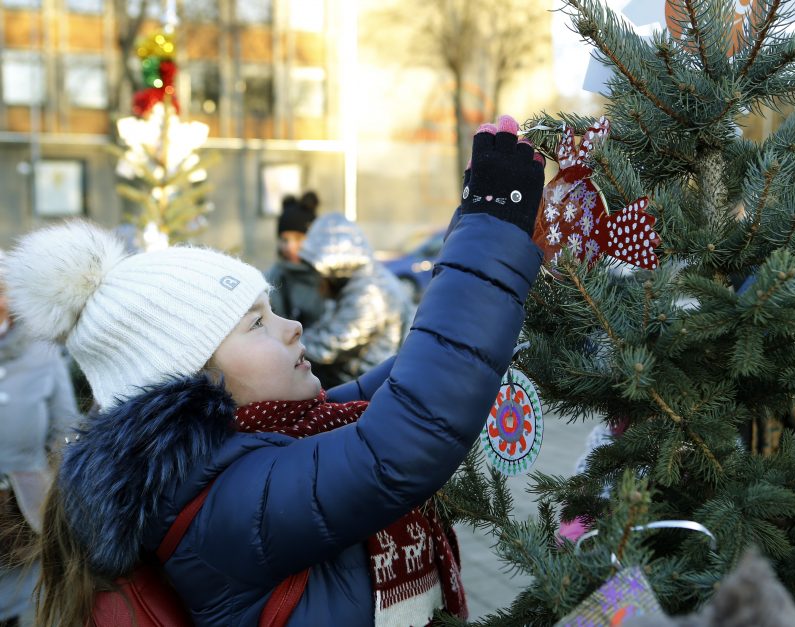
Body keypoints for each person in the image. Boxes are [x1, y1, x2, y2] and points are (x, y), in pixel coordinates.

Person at [7, 114, 544, 626]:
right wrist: (491, 228)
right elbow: (399, 441)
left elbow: (404, 386)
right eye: (256, 325)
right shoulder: (220, 504)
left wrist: (491, 260)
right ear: (193, 380)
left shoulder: (274, 435)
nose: (291, 326)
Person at [0, 252, 80, 627]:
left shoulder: (40, 352)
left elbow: (66, 430)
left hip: (22, 515)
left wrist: (55, 494)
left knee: (25, 609)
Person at [298, 213, 414, 388]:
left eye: (319, 275)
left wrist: (291, 348)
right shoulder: (358, 282)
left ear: (334, 269)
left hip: (369, 385)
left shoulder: (370, 292)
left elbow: (334, 343)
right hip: (361, 376)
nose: (318, 283)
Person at [265, 193, 326, 324]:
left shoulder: (328, 277)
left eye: (298, 238)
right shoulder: (274, 280)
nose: (290, 246)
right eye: (284, 239)